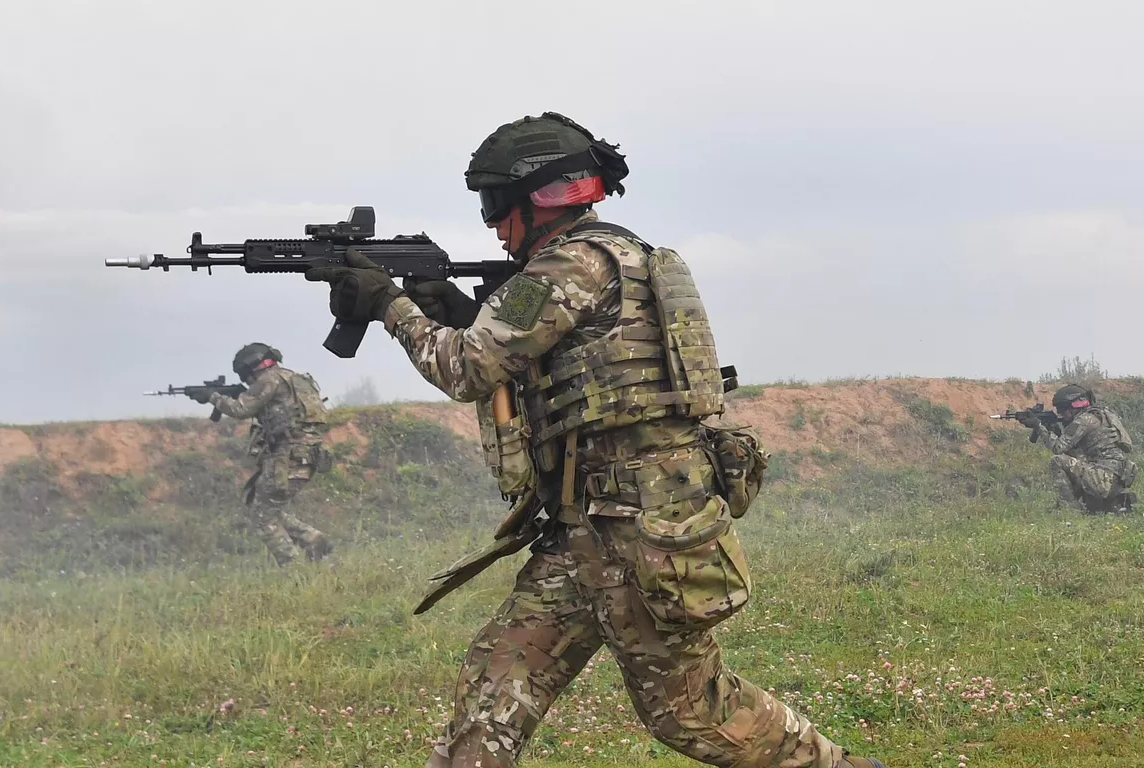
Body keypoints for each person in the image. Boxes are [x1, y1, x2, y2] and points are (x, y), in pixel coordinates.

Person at [304, 112, 885, 768]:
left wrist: (389, 304)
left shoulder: (571, 264)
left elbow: (466, 368)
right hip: (585, 530)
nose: (492, 224)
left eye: (496, 204)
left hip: (640, 538)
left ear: (539, 196)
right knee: (492, 698)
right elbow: (549, 353)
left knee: (693, 712)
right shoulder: (606, 258)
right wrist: (465, 316)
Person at [196, 342, 333, 565]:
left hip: (287, 456)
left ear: (250, 368)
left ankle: (292, 566)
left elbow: (240, 409)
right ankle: (312, 539)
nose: (247, 381)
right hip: (308, 455)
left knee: (262, 515)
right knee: (263, 505)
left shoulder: (269, 380)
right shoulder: (295, 378)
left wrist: (212, 397)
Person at [1016, 384, 1137, 514]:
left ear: (1071, 407)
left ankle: (1070, 510)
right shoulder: (1103, 415)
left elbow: (1058, 448)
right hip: (1117, 479)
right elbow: (1074, 451)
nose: (1062, 414)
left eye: (1062, 410)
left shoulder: (1083, 420)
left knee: (1056, 461)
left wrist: (1038, 426)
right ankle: (1097, 505)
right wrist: (1053, 430)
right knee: (1073, 458)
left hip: (1102, 479)